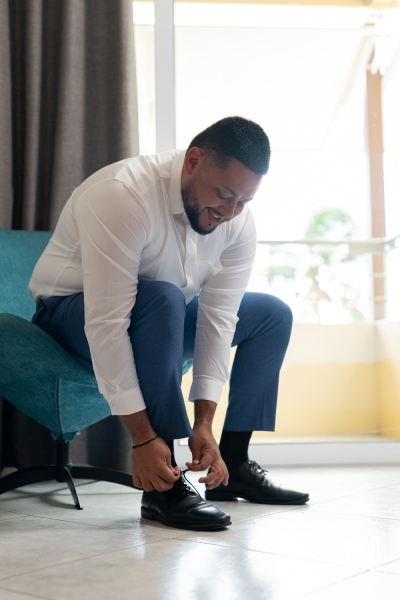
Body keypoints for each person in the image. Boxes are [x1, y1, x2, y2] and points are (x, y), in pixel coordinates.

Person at [29, 116, 309, 531]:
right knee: (162, 296)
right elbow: (107, 322)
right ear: (193, 161)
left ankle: (233, 463)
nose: (230, 212)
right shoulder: (122, 195)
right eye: (224, 194)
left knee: (270, 315)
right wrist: (142, 438)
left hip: (161, 318)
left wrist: (205, 425)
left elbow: (218, 320)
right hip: (69, 315)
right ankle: (163, 487)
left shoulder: (237, 222)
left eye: (243, 202)